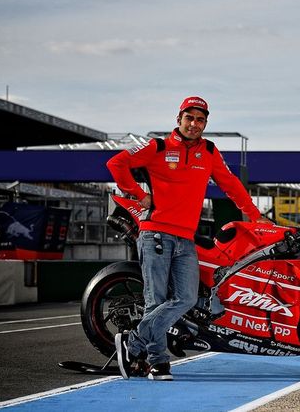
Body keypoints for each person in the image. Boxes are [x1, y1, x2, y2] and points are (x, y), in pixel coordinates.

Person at [107, 96, 265, 381]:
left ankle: (132, 344)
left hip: (185, 239)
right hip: (155, 232)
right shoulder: (157, 146)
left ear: (205, 123)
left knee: (186, 298)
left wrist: (255, 216)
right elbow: (116, 163)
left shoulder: (209, 151)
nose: (194, 124)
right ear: (179, 119)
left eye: (200, 120)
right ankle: (158, 363)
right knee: (156, 301)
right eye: (189, 118)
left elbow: (231, 185)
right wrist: (139, 195)